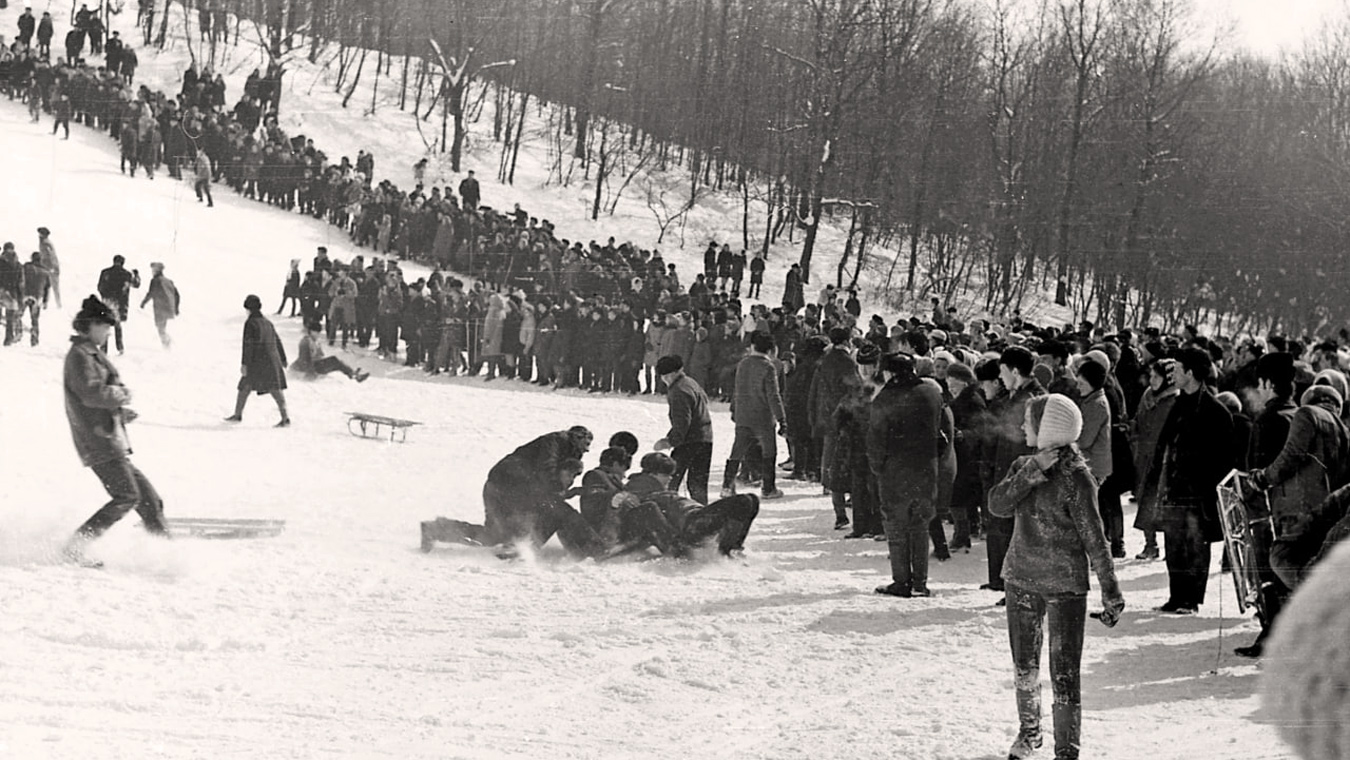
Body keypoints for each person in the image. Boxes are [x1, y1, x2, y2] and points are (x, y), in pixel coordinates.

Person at [989, 394, 1124, 760]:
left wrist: (1111, 591)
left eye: (1029, 421)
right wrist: (1032, 471)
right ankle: (1029, 734)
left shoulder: (1077, 478)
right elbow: (997, 505)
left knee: (1064, 674)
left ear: (1048, 428)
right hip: (1020, 580)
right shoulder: (1024, 464)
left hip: (1065, 588)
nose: (1022, 427)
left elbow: (1096, 539)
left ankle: (1067, 750)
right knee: (1024, 668)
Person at [1236, 384, 1349, 658]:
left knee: (1283, 567)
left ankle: (1282, 639)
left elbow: (1291, 456)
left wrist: (1263, 477)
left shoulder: (1307, 414)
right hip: (1326, 507)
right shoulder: (1342, 430)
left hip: (1299, 508)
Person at [62, 296, 169, 567]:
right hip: (99, 442)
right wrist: (121, 395)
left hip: (109, 438)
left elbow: (94, 398)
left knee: (150, 501)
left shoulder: (89, 353)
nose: (109, 331)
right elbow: (90, 393)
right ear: (92, 325)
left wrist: (120, 414)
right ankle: (76, 546)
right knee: (128, 496)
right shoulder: (80, 356)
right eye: (106, 326)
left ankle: (166, 552)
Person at [1141, 347, 1234, 615]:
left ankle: (1191, 599)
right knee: (1173, 544)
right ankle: (1176, 595)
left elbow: (1224, 458)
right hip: (1173, 488)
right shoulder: (1179, 404)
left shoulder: (1215, 411)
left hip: (1199, 493)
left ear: (1190, 373)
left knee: (1195, 545)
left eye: (1178, 368)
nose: (1173, 373)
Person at [869, 352, 944, 598]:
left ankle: (901, 581)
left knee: (897, 528)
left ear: (890, 372)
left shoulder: (885, 399)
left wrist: (878, 467)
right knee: (920, 525)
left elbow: (876, 442)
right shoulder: (932, 393)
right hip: (926, 469)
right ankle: (920, 582)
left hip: (895, 472)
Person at [625, 452, 760, 558]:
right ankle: (727, 551)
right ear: (653, 474)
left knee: (752, 500)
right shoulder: (640, 486)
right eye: (666, 475)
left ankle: (732, 548)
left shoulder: (654, 487)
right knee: (744, 502)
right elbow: (642, 511)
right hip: (690, 524)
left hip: (695, 517)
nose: (670, 478)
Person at [721, 331, 787, 500]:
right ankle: (768, 487)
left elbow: (737, 389)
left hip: (743, 415)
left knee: (737, 450)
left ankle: (727, 486)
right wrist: (781, 418)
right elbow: (773, 395)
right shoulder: (768, 367)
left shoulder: (743, 364)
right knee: (769, 451)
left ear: (753, 346)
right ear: (770, 349)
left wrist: (734, 409)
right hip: (763, 417)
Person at [653, 355, 714, 505]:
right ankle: (701, 513)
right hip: (705, 438)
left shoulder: (679, 391)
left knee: (670, 479)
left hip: (689, 441)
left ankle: (667, 511)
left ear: (671, 374)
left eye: (664, 376)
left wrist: (670, 441)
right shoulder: (690, 383)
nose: (664, 380)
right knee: (697, 484)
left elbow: (682, 422)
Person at [225, 295, 290, 427]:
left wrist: (244, 364)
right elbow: (277, 340)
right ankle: (285, 417)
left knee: (245, 386)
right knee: (275, 389)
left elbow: (248, 345)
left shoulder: (250, 323)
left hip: (257, 362)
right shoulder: (267, 322)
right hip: (272, 360)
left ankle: (237, 415)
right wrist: (283, 358)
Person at [291, 320, 368, 381]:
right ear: (310, 331)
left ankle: (352, 373)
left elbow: (320, 355)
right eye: (315, 331)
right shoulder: (306, 342)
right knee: (334, 360)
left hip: (315, 365)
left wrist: (325, 362)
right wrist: (311, 373)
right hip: (304, 369)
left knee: (336, 361)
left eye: (318, 332)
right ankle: (352, 374)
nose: (317, 334)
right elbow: (304, 359)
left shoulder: (316, 341)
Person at [96, 255, 140, 354]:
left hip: (107, 302)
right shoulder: (127, 274)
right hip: (120, 303)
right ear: (123, 263)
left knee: (105, 324)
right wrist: (136, 275)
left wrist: (105, 296)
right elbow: (136, 284)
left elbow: (99, 287)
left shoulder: (105, 272)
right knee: (117, 325)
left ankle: (103, 349)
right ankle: (120, 348)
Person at [138, 262, 179, 348]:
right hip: (169, 307)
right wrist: (176, 308)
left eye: (154, 270)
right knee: (162, 326)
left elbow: (151, 293)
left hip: (160, 308)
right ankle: (167, 343)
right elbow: (177, 295)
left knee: (160, 327)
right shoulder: (169, 281)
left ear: (157, 270)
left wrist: (143, 303)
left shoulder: (155, 280)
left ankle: (167, 344)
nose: (152, 271)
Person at [21, 252, 50, 346]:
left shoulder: (26, 267)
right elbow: (47, 288)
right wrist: (45, 301)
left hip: (25, 295)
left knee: (18, 314)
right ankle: (34, 339)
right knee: (34, 319)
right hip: (37, 298)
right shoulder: (45, 272)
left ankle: (18, 332)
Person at [0, 243, 24, 346]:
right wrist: (20, 298)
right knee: (9, 318)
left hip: (1, 291)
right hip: (12, 294)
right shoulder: (18, 265)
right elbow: (21, 283)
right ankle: (8, 339)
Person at [37, 227, 60, 309]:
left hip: (50, 267)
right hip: (48, 267)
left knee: (52, 286)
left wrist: (51, 267)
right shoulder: (44, 242)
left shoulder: (45, 243)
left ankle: (58, 305)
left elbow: (51, 256)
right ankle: (51, 304)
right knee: (49, 286)